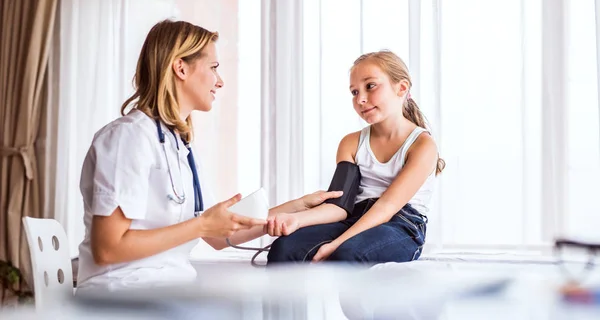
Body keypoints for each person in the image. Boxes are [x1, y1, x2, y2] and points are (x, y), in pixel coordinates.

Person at [76, 19, 342, 291]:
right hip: (120, 293)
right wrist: (202, 225)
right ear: (180, 68)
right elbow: (108, 249)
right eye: (214, 68)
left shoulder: (180, 146)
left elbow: (217, 236)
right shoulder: (128, 138)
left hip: (165, 292)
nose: (220, 81)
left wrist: (297, 207)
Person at [266, 50, 445, 264]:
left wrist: (335, 244)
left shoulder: (422, 145)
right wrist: (296, 220)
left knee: (348, 254)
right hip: (355, 217)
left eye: (370, 86)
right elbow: (340, 206)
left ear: (402, 88)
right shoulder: (351, 143)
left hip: (401, 223)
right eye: (354, 92)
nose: (360, 99)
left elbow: (387, 207)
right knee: (284, 247)